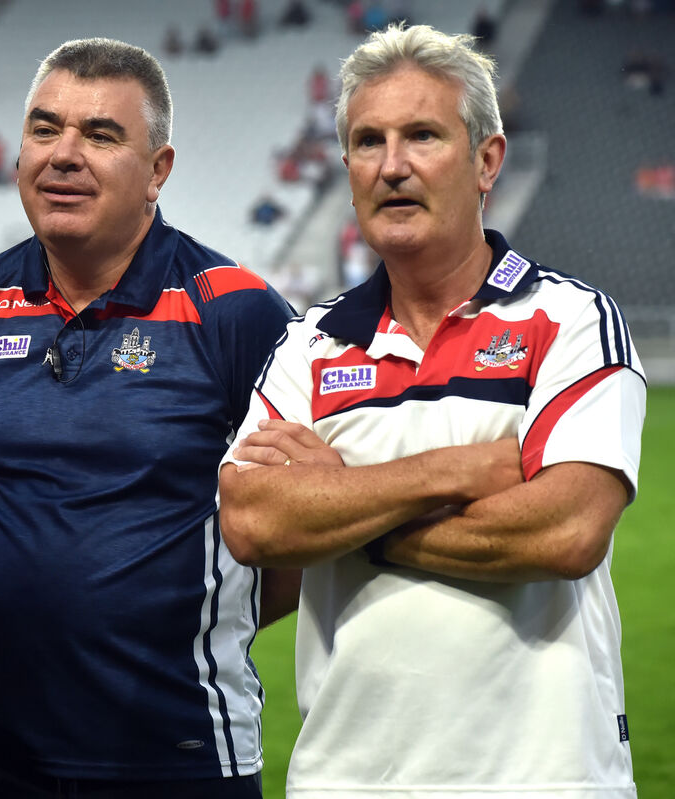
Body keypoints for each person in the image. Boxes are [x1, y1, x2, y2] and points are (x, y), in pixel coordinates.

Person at [218, 24, 645, 798]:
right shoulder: (308, 346)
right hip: (345, 779)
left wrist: (343, 502)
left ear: (487, 160)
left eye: (423, 135)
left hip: (544, 777)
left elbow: (566, 529)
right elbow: (252, 521)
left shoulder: (572, 320)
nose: (392, 165)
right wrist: (462, 469)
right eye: (367, 140)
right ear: (345, 167)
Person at [0, 37, 297, 798]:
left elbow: (293, 544)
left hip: (176, 750)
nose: (63, 154)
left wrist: (160, 636)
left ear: (158, 170)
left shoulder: (238, 314)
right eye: (44, 128)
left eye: (100, 135)